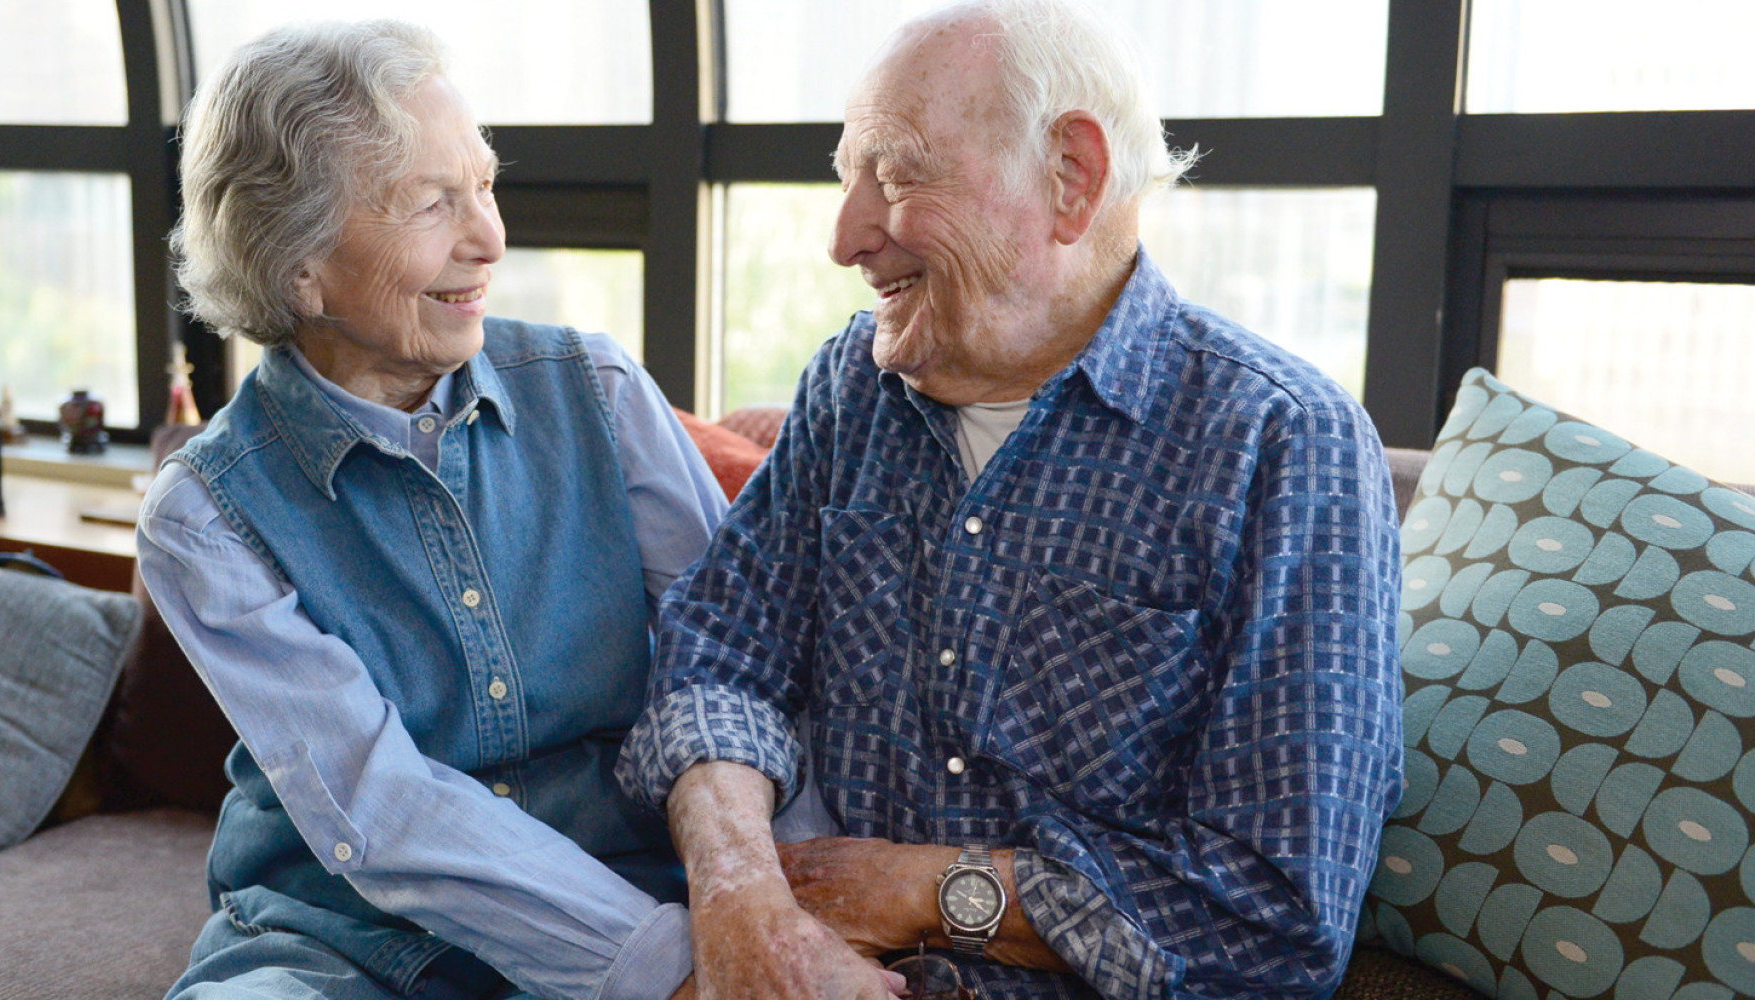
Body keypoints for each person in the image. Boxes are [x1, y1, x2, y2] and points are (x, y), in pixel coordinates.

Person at [615, 2, 1405, 998]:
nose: (843, 236)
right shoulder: (848, 388)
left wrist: (930, 889)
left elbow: (1275, 923)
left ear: (1070, 179)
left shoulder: (1280, 442)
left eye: (893, 173)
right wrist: (739, 894)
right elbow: (715, 657)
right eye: (842, 178)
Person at [137, 20, 725, 1000]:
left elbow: (737, 671)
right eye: (430, 203)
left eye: (484, 185)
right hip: (344, 943)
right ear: (298, 264)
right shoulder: (203, 515)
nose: (489, 238)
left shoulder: (601, 393)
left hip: (629, 891)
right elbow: (382, 809)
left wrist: (781, 907)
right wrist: (670, 975)